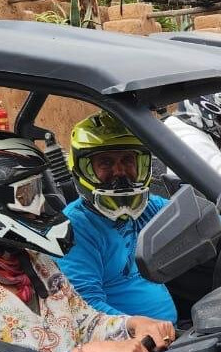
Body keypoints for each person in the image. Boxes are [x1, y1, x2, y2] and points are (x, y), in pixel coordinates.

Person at [0, 132, 173, 352]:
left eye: (38, 189)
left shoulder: (35, 262)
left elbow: (86, 322)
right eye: (27, 193)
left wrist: (132, 325)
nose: (41, 203)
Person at [58, 111, 178, 323]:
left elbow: (194, 213)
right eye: (105, 163)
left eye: (128, 160)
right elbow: (85, 308)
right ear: (84, 170)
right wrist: (137, 327)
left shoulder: (148, 208)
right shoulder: (74, 228)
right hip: (133, 346)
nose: (120, 172)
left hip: (171, 336)